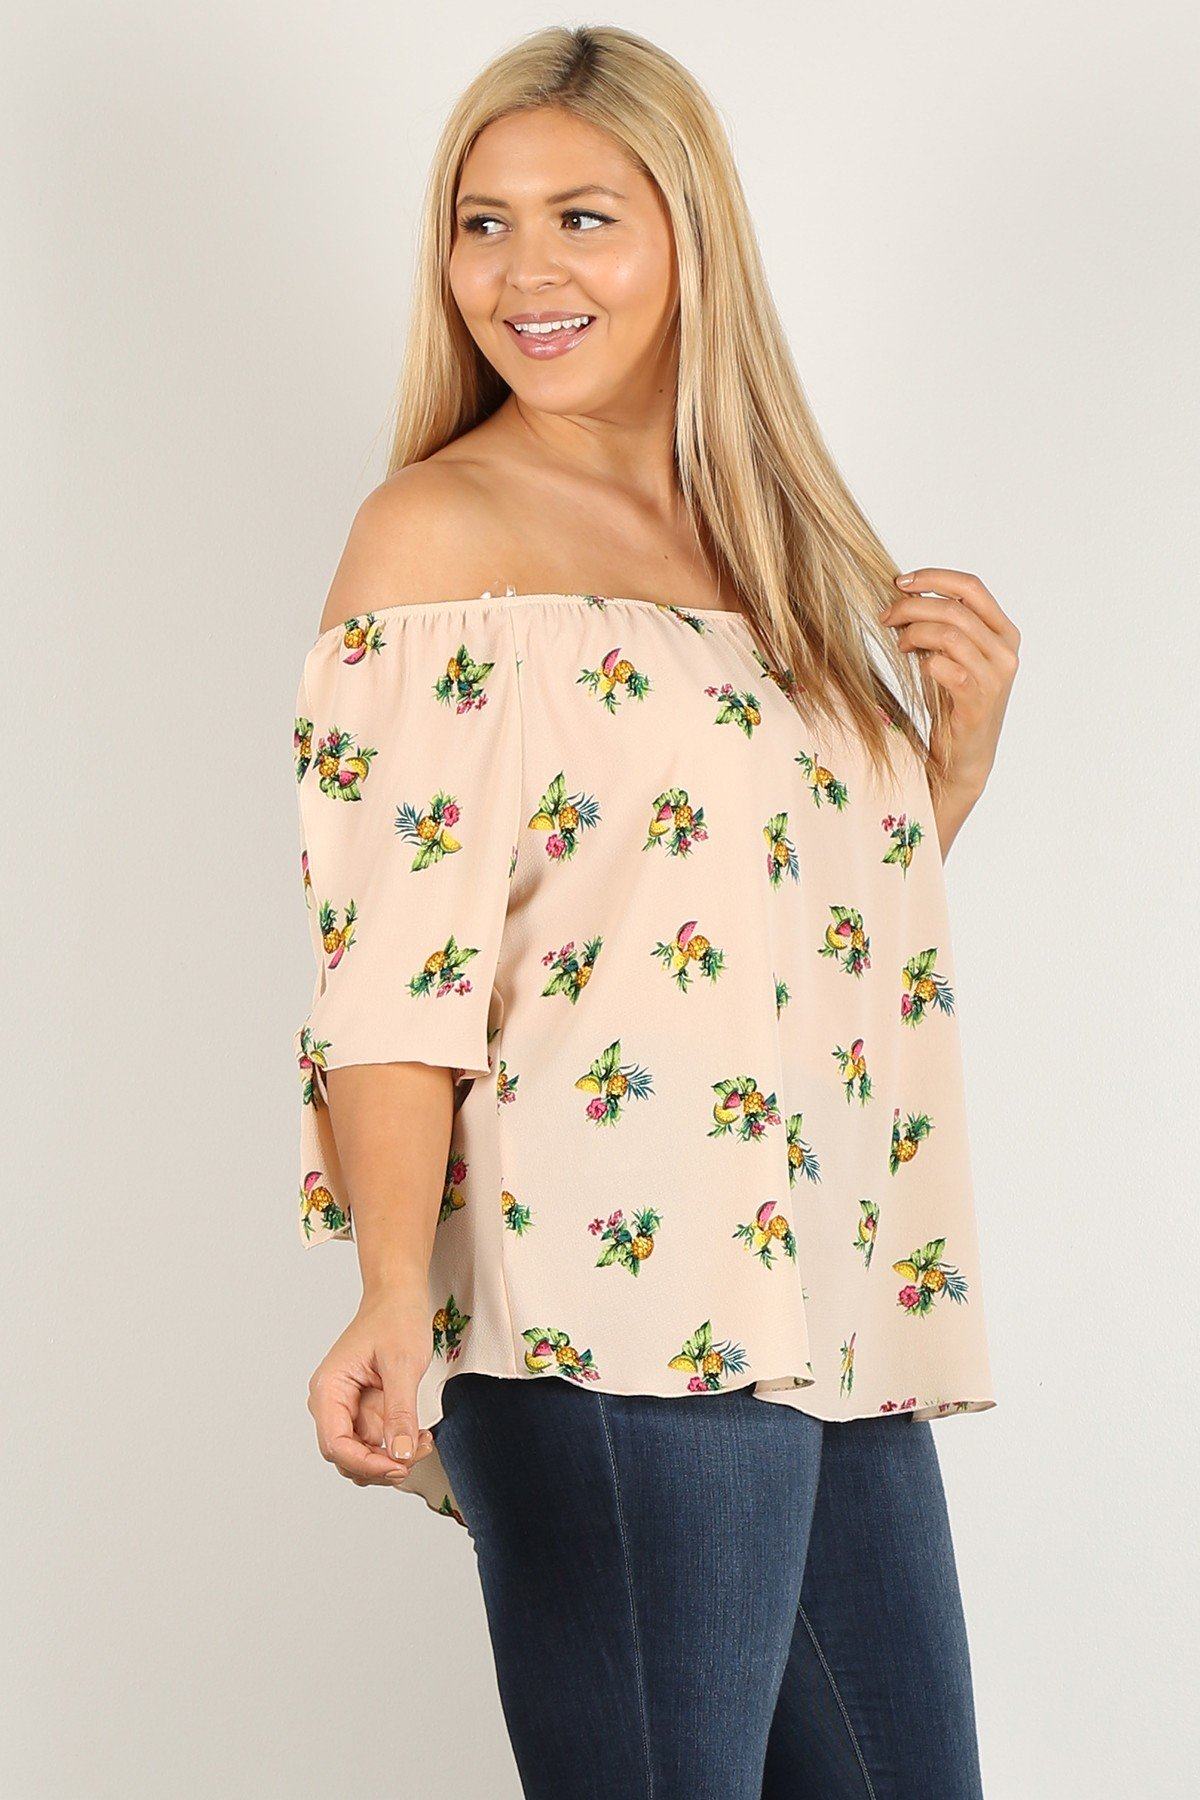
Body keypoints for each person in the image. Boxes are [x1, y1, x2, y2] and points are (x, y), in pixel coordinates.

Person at [289, 24, 1019, 1798]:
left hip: (821, 1300)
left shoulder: (774, 543)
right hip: (607, 1309)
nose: (524, 273)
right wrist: (388, 1287)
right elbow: (396, 969)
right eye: (483, 223)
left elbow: (769, 935)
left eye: (583, 218)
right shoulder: (438, 535)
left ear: (693, 236)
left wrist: (951, 769)